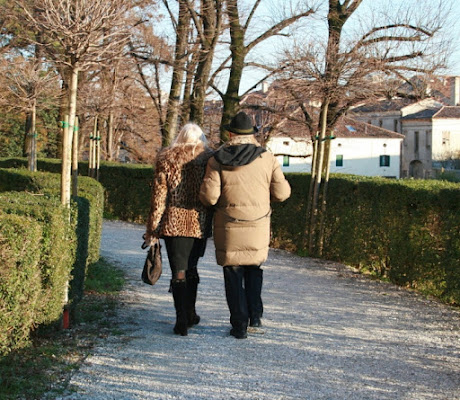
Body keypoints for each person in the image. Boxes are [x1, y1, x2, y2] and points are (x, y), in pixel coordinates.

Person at [199, 111, 291, 339]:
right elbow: (282, 193)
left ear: (230, 133)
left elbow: (210, 197)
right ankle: (255, 316)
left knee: (232, 272)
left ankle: (239, 324)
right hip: (258, 224)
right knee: (254, 267)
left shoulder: (216, 159)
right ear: (252, 134)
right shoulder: (267, 158)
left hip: (229, 224)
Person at [144, 123, 213, 336]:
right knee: (192, 268)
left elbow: (159, 197)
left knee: (179, 272)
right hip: (199, 222)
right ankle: (191, 313)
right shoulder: (209, 159)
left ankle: (181, 319)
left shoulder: (167, 158)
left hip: (173, 222)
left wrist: (152, 228)